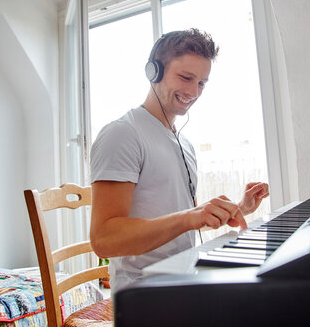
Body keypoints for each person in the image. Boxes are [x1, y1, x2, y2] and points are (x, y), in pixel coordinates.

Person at [89, 28, 269, 293]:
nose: (193, 91)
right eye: (186, 77)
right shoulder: (123, 134)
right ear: (154, 72)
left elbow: (181, 217)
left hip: (183, 277)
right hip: (143, 292)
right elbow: (104, 239)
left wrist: (239, 208)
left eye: (202, 83)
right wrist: (189, 217)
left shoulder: (184, 144)